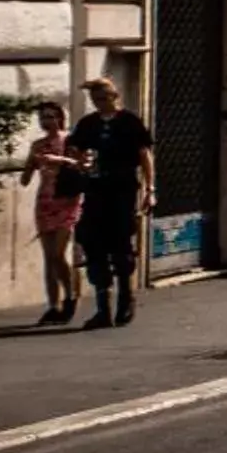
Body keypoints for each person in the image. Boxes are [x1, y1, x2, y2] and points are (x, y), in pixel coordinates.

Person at [69, 78, 153, 329]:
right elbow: (77, 150)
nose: (101, 103)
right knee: (93, 244)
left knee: (120, 245)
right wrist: (80, 160)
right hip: (96, 191)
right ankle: (102, 308)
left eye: (105, 98)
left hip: (122, 190)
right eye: (96, 99)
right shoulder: (88, 124)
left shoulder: (129, 122)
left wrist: (150, 188)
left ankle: (126, 300)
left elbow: (144, 155)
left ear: (115, 96)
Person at [20, 98, 82, 324]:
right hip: (45, 202)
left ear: (60, 118)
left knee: (58, 254)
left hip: (66, 200)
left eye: (50, 116)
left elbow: (82, 165)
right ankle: (53, 305)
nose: (46, 121)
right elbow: (25, 180)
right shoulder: (37, 145)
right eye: (42, 117)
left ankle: (71, 296)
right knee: (48, 258)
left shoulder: (70, 140)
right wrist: (31, 163)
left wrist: (59, 159)